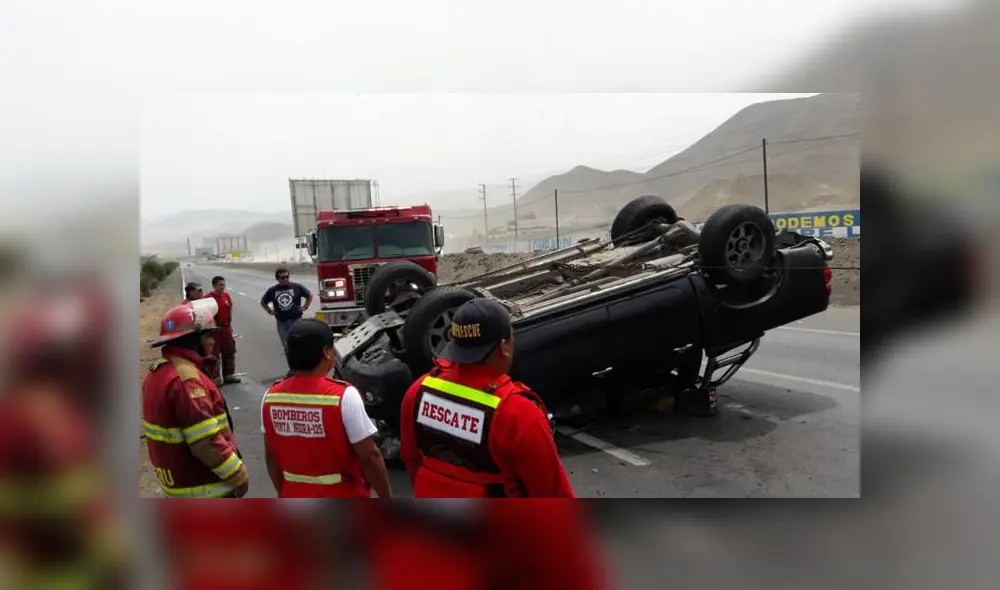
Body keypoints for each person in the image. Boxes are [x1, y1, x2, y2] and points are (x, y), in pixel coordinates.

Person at [399, 298, 575, 498]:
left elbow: (411, 460)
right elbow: (553, 495)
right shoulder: (518, 413)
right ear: (504, 347)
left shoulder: (418, 391)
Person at [260, 318, 392, 498]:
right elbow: (370, 457)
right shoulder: (344, 396)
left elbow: (271, 458)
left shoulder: (271, 396)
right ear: (326, 353)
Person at [142, 298, 249, 498]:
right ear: (193, 339)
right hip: (204, 489)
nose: (213, 342)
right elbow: (206, 441)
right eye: (209, 335)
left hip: (179, 486)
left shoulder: (159, 371)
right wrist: (238, 475)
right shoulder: (187, 380)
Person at [259, 266, 313, 353]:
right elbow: (263, 301)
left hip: (296, 319)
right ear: (277, 279)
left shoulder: (296, 287)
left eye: (287, 277)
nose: (285, 279)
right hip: (282, 321)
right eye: (282, 277)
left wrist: (305, 307)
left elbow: (309, 295)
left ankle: (300, 359)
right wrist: (269, 311)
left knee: (298, 342)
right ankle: (292, 360)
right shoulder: (273, 290)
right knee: (287, 345)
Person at [204, 275, 240, 385]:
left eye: (224, 284)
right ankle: (215, 377)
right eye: (220, 285)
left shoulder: (226, 296)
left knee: (229, 351)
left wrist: (229, 326)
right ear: (214, 285)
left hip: (226, 328)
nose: (223, 287)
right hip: (214, 330)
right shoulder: (207, 298)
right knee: (214, 353)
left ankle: (229, 375)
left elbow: (230, 309)